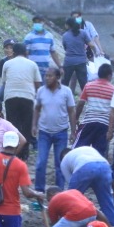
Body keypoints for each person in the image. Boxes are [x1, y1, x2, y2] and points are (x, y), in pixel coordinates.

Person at [32, 66, 77, 195]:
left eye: (50, 76)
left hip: (61, 132)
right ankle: (39, 191)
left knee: (60, 164)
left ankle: (59, 193)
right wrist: (34, 125)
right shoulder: (41, 91)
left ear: (57, 78)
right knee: (41, 162)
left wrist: (73, 131)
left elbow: (71, 111)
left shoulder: (66, 91)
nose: (47, 78)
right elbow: (37, 108)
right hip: (44, 132)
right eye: (46, 75)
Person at [60, 145, 114, 227]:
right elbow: (112, 175)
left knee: (71, 200)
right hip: (104, 167)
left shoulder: (63, 162)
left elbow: (72, 191)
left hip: (84, 169)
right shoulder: (87, 149)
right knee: (107, 202)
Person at [0, 42, 41, 157]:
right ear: (26, 52)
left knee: (13, 125)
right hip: (27, 97)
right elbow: (37, 83)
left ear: (13, 52)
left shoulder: (7, 64)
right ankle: (24, 153)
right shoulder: (32, 64)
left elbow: (4, 81)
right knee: (26, 125)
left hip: (10, 97)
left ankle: (12, 152)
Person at [74, 63, 114, 156]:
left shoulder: (88, 86)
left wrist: (76, 118)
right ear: (109, 75)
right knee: (99, 154)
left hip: (89, 122)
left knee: (78, 150)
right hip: (104, 124)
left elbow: (80, 104)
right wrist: (112, 128)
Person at [60, 18, 91, 94]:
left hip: (69, 62)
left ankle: (64, 98)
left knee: (65, 82)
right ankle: (86, 100)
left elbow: (65, 47)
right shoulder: (83, 33)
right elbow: (90, 44)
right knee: (83, 83)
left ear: (68, 25)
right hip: (81, 62)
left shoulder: (65, 36)